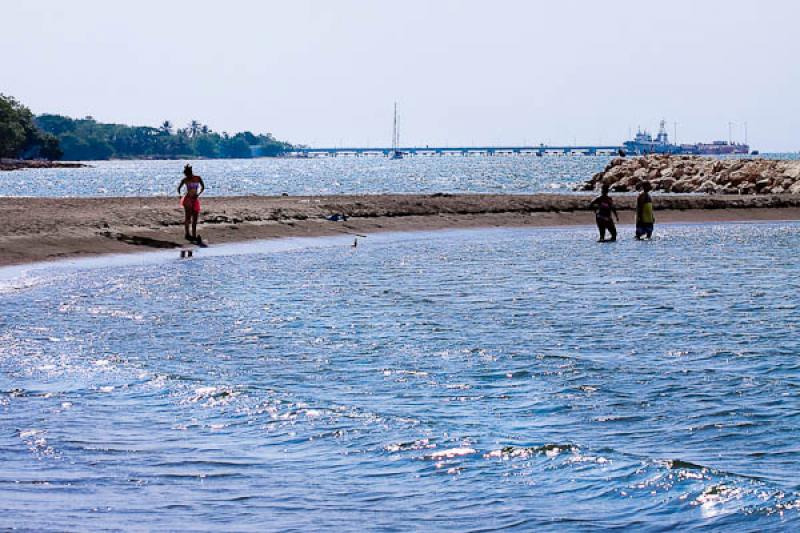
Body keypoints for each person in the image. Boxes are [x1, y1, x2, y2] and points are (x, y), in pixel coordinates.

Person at [177, 164, 205, 241]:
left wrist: (198, 194)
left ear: (190, 172)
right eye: (186, 175)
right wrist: (180, 196)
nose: (187, 176)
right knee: (188, 217)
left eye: (187, 174)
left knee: (195, 218)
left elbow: (203, 187)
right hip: (187, 199)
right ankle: (187, 234)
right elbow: (178, 188)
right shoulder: (185, 180)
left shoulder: (198, 178)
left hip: (195, 199)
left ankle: (194, 235)